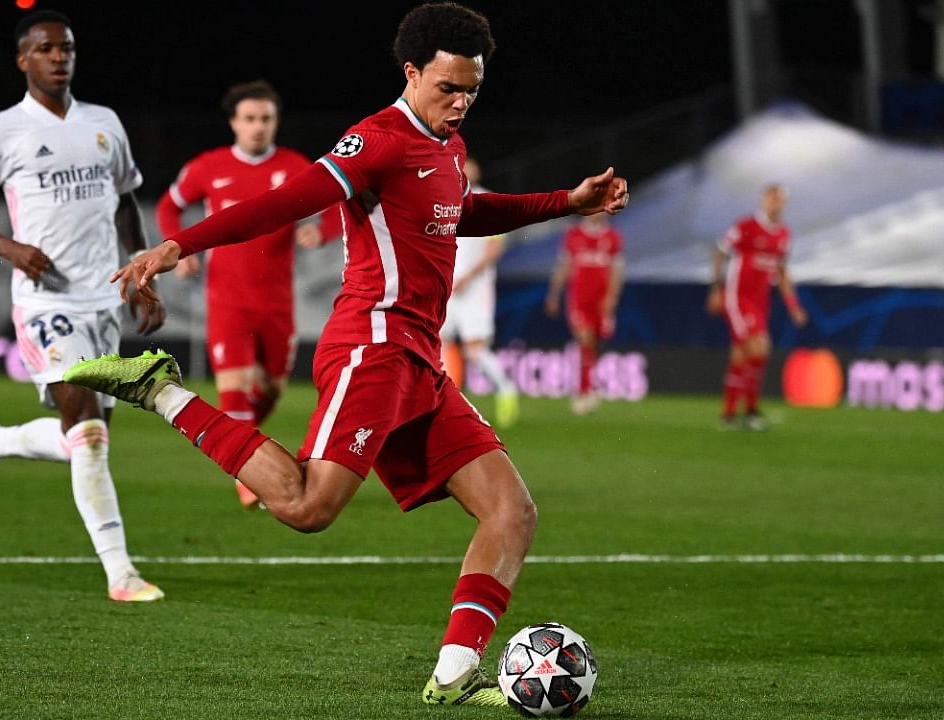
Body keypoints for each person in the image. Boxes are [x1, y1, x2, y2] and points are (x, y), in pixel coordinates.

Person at [64, 1, 628, 704]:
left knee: (511, 512)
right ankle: (160, 390)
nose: (460, 104)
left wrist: (565, 202)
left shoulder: (447, 147)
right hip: (374, 344)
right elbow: (289, 200)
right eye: (447, 88)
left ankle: (454, 676)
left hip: (418, 359)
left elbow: (462, 212)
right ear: (412, 72)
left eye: (471, 91)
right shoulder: (379, 139)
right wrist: (183, 242)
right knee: (306, 506)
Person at [0, 10, 167, 602]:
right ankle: (121, 573)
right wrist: (10, 247)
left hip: (105, 299)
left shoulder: (104, 123)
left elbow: (126, 201)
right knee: (89, 433)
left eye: (65, 47)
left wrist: (141, 269)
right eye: (45, 48)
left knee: (84, 435)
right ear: (23, 60)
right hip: (47, 303)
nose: (58, 56)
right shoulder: (1, 131)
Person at [156, 80, 335, 510]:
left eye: (266, 119)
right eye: (250, 119)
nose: (258, 127)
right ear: (234, 122)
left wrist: (320, 230)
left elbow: (335, 208)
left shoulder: (296, 167)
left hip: (277, 302)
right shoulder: (208, 167)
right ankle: (246, 475)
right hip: (226, 299)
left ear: (276, 123)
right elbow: (168, 206)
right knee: (234, 389)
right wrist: (178, 249)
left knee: (272, 390)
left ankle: (246, 450)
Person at [706, 183, 808, 430]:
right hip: (738, 298)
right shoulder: (746, 227)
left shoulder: (783, 235)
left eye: (780, 200)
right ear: (763, 200)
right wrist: (716, 289)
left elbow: (782, 273)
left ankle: (731, 415)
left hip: (761, 301)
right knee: (760, 347)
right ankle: (749, 411)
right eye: (772, 198)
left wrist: (793, 305)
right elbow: (720, 252)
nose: (776, 203)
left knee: (743, 354)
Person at [439, 157, 520, 429]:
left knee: (475, 350)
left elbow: (494, 250)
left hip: (475, 289)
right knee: (436, 343)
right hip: (448, 286)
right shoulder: (443, 200)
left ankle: (506, 388)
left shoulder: (489, 202)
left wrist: (469, 277)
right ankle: (447, 401)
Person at [544, 213, 625, 414]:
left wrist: (612, 299)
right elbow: (564, 266)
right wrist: (554, 294)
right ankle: (584, 392)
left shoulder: (612, 237)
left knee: (595, 344)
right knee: (584, 340)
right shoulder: (573, 235)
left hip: (601, 301)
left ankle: (588, 385)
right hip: (579, 298)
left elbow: (617, 271)